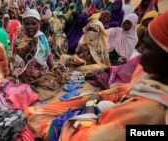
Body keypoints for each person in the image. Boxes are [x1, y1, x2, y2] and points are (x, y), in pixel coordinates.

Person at [25, 10, 168, 141]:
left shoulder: (151, 109)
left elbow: (86, 138)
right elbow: (124, 92)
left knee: (49, 122)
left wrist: (90, 105)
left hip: (92, 134)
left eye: (148, 47)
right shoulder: (152, 78)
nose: (140, 54)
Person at [12, 8, 67, 90]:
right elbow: (18, 69)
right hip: (26, 80)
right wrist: (28, 86)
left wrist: (55, 69)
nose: (30, 27)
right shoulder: (19, 41)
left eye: (34, 23)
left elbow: (48, 57)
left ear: (39, 23)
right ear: (23, 24)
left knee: (62, 82)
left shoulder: (42, 37)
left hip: (43, 75)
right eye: (27, 24)